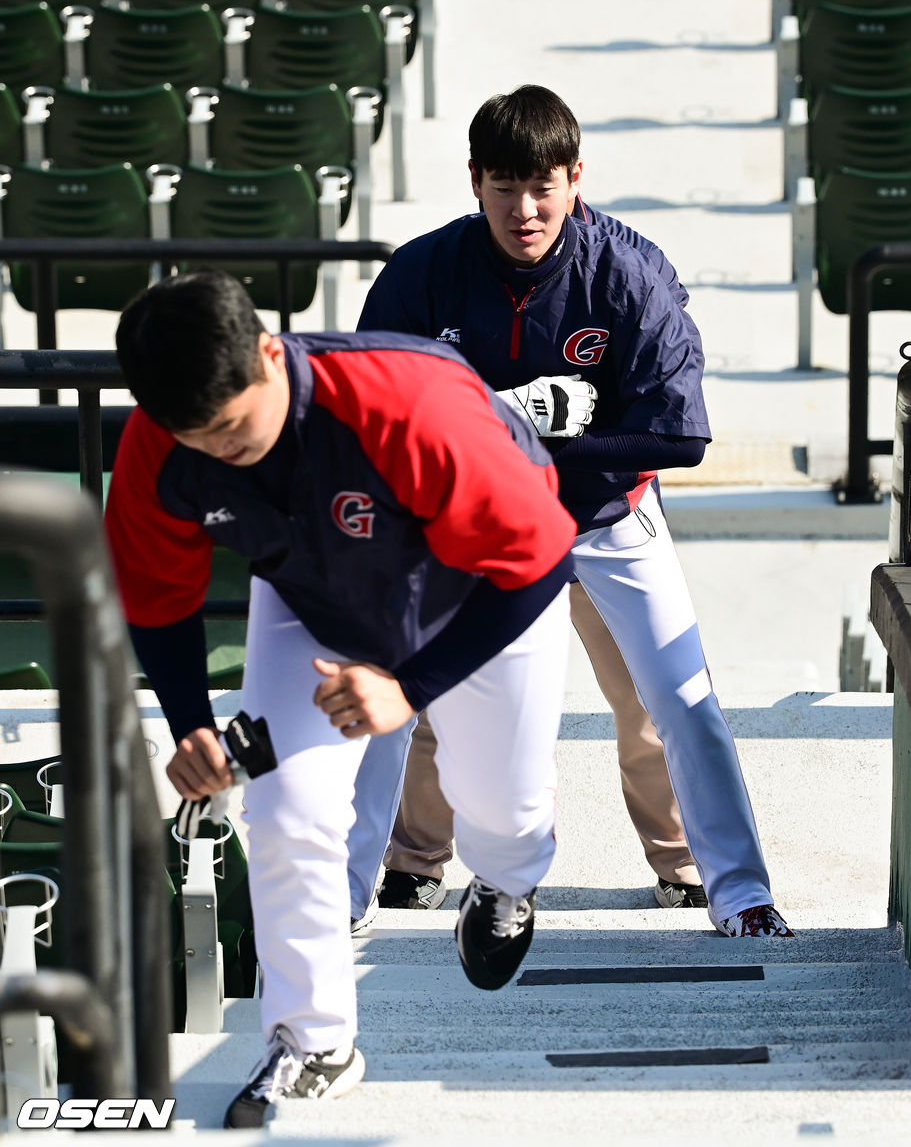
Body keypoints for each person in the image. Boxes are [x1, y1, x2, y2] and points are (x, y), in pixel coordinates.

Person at [103, 268, 582, 1127]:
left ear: (266, 352)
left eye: (229, 425)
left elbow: (541, 562)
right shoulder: (161, 440)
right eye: (193, 435)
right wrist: (190, 726)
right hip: (312, 599)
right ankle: (313, 1040)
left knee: (500, 812)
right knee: (287, 812)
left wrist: (411, 687)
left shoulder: (409, 404)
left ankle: (509, 883)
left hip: (479, 589)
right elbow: (155, 595)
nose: (216, 449)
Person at [356, 84, 793, 940]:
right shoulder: (422, 271)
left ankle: (736, 891)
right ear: (475, 180)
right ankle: (351, 891)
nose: (525, 208)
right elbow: (370, 413)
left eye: (543, 185)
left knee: (677, 699)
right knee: (402, 699)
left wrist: (535, 444)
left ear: (576, 177)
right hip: (471, 522)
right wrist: (494, 423)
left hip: (606, 519)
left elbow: (681, 436)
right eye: (506, 186)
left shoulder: (627, 273)